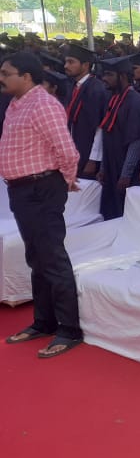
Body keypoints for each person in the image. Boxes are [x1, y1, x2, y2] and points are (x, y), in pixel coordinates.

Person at [0, 52, 83, 359]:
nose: (1, 78)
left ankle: (69, 329)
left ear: (26, 76)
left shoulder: (43, 105)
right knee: (36, 257)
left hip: (41, 188)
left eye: (6, 73)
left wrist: (65, 181)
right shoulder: (15, 104)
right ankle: (43, 322)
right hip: (22, 190)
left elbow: (67, 151)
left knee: (52, 258)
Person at [96, 56, 140, 219]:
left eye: (109, 74)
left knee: (125, 212)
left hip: (126, 169)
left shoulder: (135, 102)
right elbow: (107, 134)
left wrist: (126, 173)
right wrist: (103, 167)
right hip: (112, 165)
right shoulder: (113, 99)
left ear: (123, 76)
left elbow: (136, 141)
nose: (104, 78)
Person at [63, 44, 107, 178]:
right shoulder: (74, 86)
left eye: (71, 62)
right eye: (66, 62)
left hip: (88, 153)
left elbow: (99, 126)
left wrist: (93, 159)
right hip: (74, 150)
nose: (66, 66)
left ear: (85, 65)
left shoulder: (96, 89)